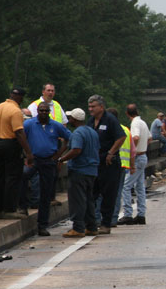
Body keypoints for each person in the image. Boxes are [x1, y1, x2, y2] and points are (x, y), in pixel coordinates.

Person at [19, 102, 71, 236]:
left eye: (45, 111)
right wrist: (26, 154)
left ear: (48, 112)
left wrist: (59, 155)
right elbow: (20, 137)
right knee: (23, 176)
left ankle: (42, 225)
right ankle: (23, 206)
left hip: (49, 161)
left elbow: (68, 138)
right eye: (41, 110)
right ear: (37, 111)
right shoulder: (29, 124)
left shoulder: (55, 125)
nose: (43, 113)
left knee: (46, 193)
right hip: (34, 160)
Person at [0, 86, 34, 219]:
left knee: (1, 176)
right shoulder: (16, 111)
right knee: (13, 177)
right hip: (10, 144)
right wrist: (28, 152)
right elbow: (19, 132)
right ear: (21, 98)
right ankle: (10, 209)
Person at [86, 95, 126, 234]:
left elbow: (121, 137)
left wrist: (111, 153)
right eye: (89, 106)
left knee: (108, 194)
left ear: (101, 107)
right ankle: (91, 223)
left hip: (109, 163)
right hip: (94, 163)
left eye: (93, 107)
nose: (90, 109)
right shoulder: (91, 121)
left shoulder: (110, 119)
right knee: (91, 193)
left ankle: (106, 223)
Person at [58, 108, 99, 238]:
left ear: (74, 120)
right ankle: (91, 226)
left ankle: (78, 228)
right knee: (88, 200)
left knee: (78, 200)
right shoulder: (92, 132)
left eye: (70, 118)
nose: (69, 120)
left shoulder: (77, 133)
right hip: (92, 170)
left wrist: (62, 159)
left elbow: (76, 150)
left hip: (79, 170)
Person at [94, 108, 133, 228]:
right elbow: (133, 150)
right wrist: (133, 165)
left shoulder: (107, 129)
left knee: (101, 193)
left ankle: (99, 218)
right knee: (116, 193)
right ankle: (113, 219)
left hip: (110, 163)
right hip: (123, 165)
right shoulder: (126, 129)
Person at [119, 104, 151, 225]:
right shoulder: (143, 122)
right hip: (143, 156)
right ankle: (141, 215)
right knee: (140, 187)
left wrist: (133, 150)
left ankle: (127, 214)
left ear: (127, 114)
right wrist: (143, 147)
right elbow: (149, 138)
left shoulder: (135, 124)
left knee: (126, 186)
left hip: (137, 158)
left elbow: (135, 137)